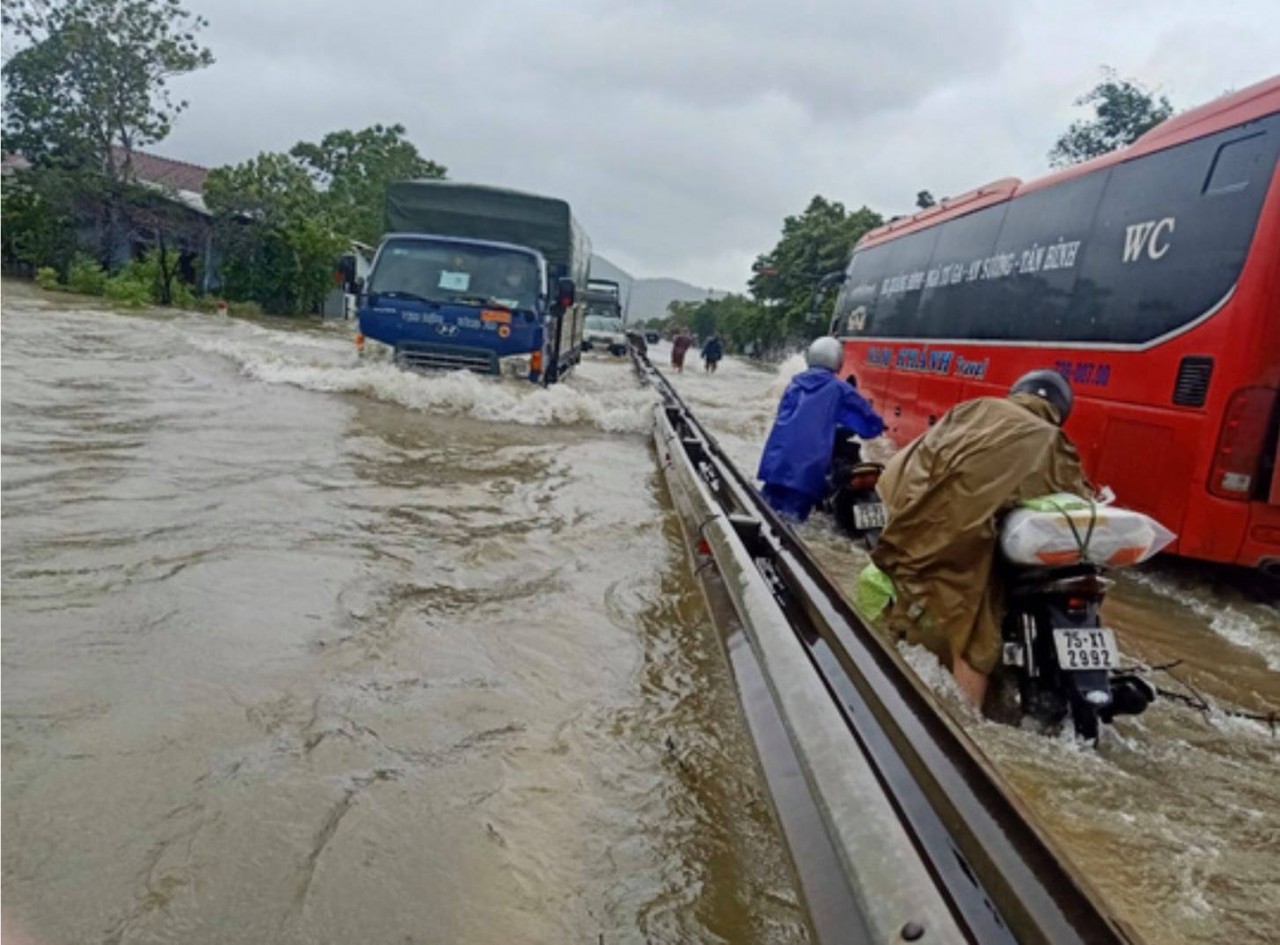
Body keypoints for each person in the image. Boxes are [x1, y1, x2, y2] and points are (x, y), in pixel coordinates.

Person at [870, 370, 1092, 709]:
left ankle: (948, 711)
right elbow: (1073, 494)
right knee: (975, 628)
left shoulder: (973, 409)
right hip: (971, 537)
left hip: (928, 524)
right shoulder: (1052, 439)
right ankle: (967, 726)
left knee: (926, 599)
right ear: (1061, 409)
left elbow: (923, 456)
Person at [757, 337, 885, 522]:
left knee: (766, 511)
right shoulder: (840, 389)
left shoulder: (794, 385)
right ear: (838, 361)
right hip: (808, 468)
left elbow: (784, 416)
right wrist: (877, 426)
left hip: (777, 462)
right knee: (793, 522)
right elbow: (865, 419)